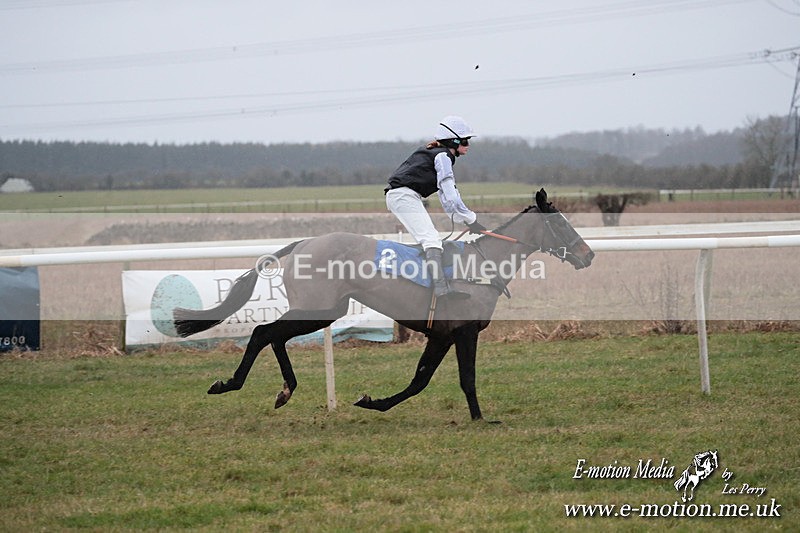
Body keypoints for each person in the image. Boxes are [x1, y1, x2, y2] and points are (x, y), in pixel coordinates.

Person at [385, 115, 487, 299]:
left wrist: (462, 220)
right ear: (453, 141)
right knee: (431, 240)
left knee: (431, 240)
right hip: (403, 196)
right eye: (465, 141)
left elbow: (445, 197)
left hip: (404, 195)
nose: (468, 145)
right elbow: (451, 195)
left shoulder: (438, 153)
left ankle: (425, 283)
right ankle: (440, 289)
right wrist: (472, 219)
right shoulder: (443, 156)